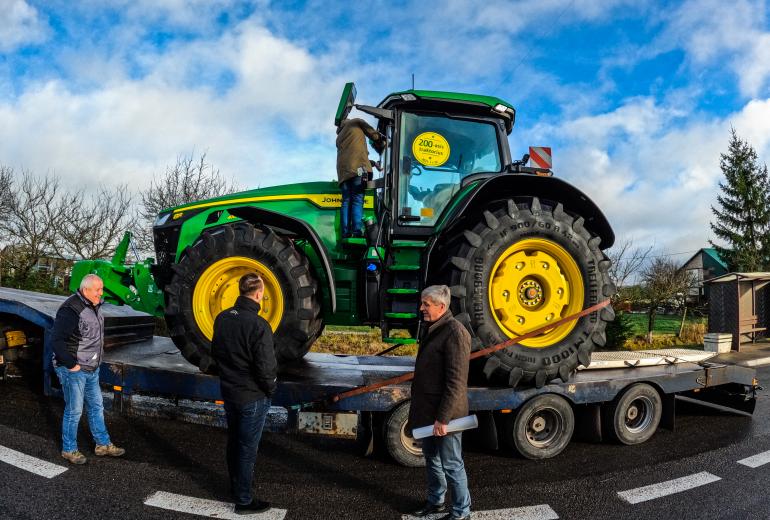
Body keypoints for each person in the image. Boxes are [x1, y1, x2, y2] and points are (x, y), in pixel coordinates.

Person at [211, 273, 277, 514]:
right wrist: (270, 390)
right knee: (247, 448)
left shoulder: (222, 318)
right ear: (259, 294)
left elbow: (215, 353)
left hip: (230, 392)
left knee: (234, 442)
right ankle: (244, 501)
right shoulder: (259, 325)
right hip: (253, 396)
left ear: (240, 290)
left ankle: (236, 487)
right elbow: (266, 368)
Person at [407, 285, 472, 520]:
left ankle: (461, 512)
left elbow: (456, 382)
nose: (421, 308)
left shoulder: (455, 332)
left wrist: (442, 419)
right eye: (422, 303)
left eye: (426, 304)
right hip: (428, 413)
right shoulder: (435, 328)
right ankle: (436, 502)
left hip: (446, 416)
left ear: (441, 307)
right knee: (432, 459)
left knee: (452, 465)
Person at [52, 273, 125, 464]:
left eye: (101, 289)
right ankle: (69, 449)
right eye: (98, 290)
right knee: (74, 410)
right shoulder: (71, 309)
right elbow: (57, 341)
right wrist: (72, 365)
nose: (101, 294)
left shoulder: (94, 306)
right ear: (85, 290)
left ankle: (102, 444)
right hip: (74, 370)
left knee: (96, 406)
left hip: (92, 368)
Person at [335, 116, 385, 238]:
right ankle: (357, 231)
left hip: (344, 174)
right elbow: (373, 134)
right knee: (357, 199)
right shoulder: (355, 123)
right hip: (359, 169)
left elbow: (353, 155)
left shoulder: (339, 138)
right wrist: (382, 140)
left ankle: (346, 233)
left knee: (346, 202)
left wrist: (372, 164)